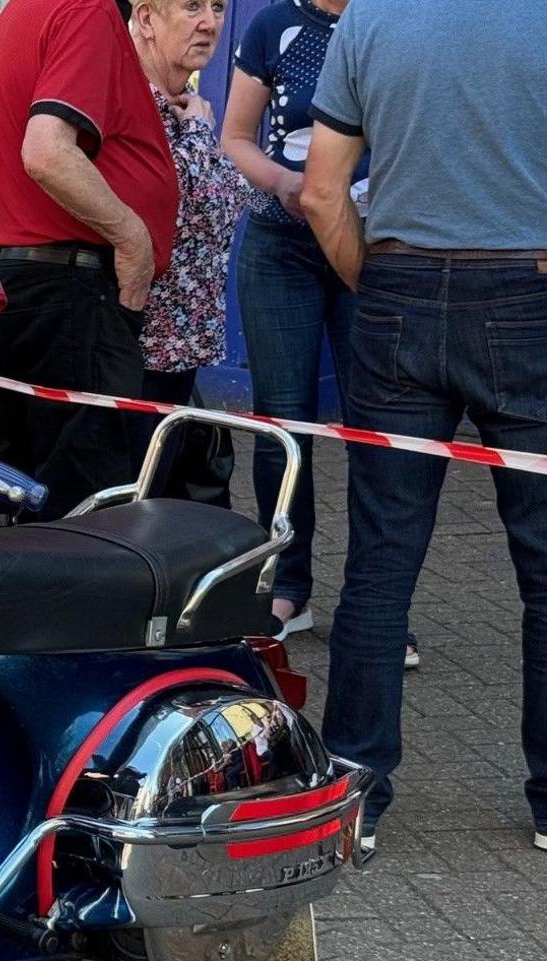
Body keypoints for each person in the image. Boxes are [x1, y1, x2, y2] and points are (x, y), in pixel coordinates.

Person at [302, 0, 547, 858]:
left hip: (399, 287)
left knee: (381, 557)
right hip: (527, 292)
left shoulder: (370, 19)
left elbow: (321, 189)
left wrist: (380, 286)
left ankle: (352, 791)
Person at [0, 0, 178, 519]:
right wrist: (134, 239)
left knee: (23, 495)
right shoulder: (85, 9)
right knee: (85, 509)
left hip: (37, 285)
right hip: (74, 293)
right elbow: (47, 151)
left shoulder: (25, 10)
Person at [221, 0, 366, 640]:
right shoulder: (272, 23)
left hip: (374, 245)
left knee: (380, 425)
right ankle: (286, 586)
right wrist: (282, 182)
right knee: (282, 420)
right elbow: (234, 137)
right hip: (279, 248)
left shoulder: (389, 21)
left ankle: (376, 604)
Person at [129, 0, 241, 507]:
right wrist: (200, 132)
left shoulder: (183, 104)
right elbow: (197, 211)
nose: (210, 22)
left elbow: (228, 201)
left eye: (217, 7)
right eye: (192, 5)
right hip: (143, 343)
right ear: (147, 18)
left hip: (180, 344)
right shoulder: (138, 103)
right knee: (137, 495)